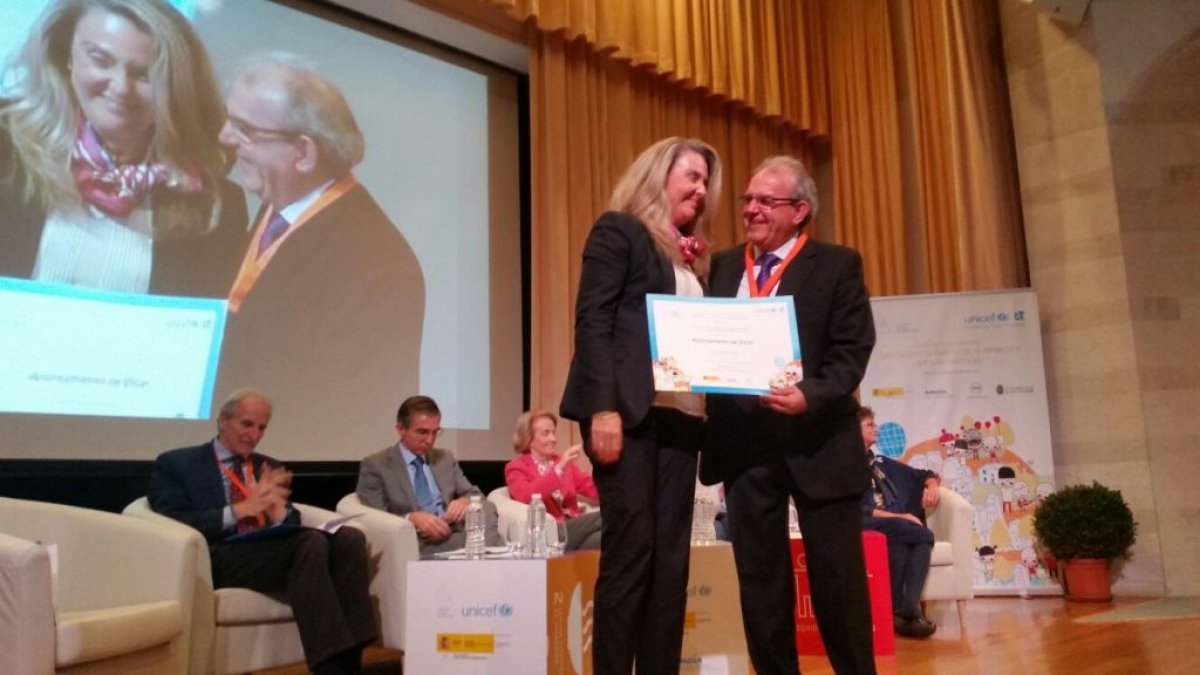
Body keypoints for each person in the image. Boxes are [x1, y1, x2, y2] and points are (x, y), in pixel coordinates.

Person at [702, 155, 877, 675]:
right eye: (747, 199)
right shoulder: (723, 266)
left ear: (800, 211)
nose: (751, 209)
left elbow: (852, 351)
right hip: (745, 445)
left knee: (837, 580)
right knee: (759, 580)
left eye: (765, 201)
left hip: (818, 441)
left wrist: (811, 395)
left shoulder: (838, 264)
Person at [560, 136, 721, 675]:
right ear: (658, 174)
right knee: (632, 554)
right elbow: (593, 320)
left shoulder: (694, 261)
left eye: (705, 183)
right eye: (692, 176)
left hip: (681, 421)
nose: (701, 191)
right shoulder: (620, 231)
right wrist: (602, 409)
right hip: (627, 417)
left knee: (672, 562)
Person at [213, 52, 423, 451]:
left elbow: (336, 411)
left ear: (304, 153)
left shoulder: (376, 264)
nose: (224, 137)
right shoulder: (274, 209)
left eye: (245, 129)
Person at [0, 0, 247, 296]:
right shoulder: (7, 145)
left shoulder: (216, 207)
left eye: (144, 74)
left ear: (175, 84)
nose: (120, 87)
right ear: (68, 57)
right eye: (101, 60)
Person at [147, 388, 375, 675]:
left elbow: (289, 523)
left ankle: (353, 656)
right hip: (217, 556)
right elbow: (171, 520)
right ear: (223, 422)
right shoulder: (178, 464)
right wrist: (241, 510)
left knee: (349, 539)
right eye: (247, 424)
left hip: (266, 551)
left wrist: (280, 514)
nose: (254, 435)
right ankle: (332, 667)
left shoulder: (267, 466)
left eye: (261, 428)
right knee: (309, 544)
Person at [357, 395, 503, 556]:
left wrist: (464, 501)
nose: (430, 440)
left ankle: (485, 557)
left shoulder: (444, 458)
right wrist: (410, 518)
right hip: (418, 541)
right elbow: (375, 517)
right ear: (400, 429)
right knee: (495, 543)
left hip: (454, 532)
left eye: (435, 432)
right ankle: (489, 557)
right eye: (422, 432)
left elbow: (475, 495)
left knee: (486, 508)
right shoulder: (376, 465)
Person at [859, 407, 941, 638]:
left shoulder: (881, 462)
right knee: (921, 533)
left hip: (893, 528)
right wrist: (899, 516)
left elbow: (923, 474)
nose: (876, 427)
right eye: (869, 425)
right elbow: (857, 508)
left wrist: (931, 486)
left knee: (900, 543)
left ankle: (901, 614)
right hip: (863, 521)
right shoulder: (848, 466)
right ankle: (910, 609)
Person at [505, 409, 602, 551]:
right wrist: (558, 469)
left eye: (553, 432)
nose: (553, 439)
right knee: (605, 516)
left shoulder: (563, 463)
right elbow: (527, 497)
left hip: (573, 530)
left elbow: (592, 487)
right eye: (546, 433)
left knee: (604, 538)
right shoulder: (516, 467)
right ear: (528, 439)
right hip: (547, 534)